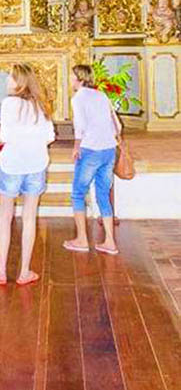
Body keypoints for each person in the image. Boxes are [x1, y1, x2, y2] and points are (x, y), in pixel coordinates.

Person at [0, 63, 55, 287]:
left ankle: (1, 270)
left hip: (11, 164)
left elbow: (5, 135)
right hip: (36, 164)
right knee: (29, 218)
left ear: (19, 81)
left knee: (5, 217)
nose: (6, 79)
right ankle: (25, 271)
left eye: (10, 76)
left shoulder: (9, 103)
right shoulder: (41, 105)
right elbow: (50, 137)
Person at [64, 64, 120, 256]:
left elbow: (80, 126)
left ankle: (81, 239)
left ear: (79, 78)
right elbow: (116, 124)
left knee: (78, 193)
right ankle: (110, 242)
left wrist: (76, 146)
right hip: (108, 149)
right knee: (103, 194)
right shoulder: (101, 95)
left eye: (72, 76)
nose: (70, 79)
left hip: (91, 149)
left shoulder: (78, 98)